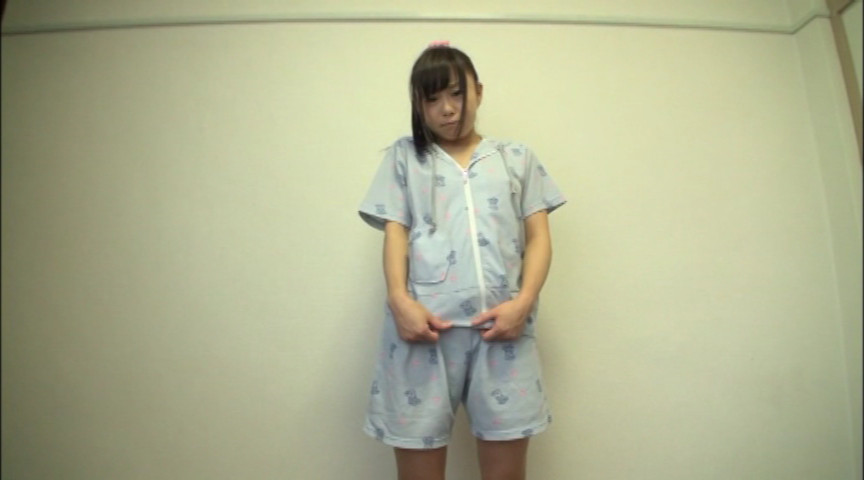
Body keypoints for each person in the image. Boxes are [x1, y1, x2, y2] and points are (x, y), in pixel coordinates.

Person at [358, 42, 566, 480]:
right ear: (418, 105)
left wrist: (523, 302)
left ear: (479, 91)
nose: (448, 109)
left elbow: (539, 237)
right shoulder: (405, 158)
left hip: (503, 331)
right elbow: (395, 232)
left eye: (457, 93)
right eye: (432, 99)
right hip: (423, 333)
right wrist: (399, 300)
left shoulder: (516, 158)